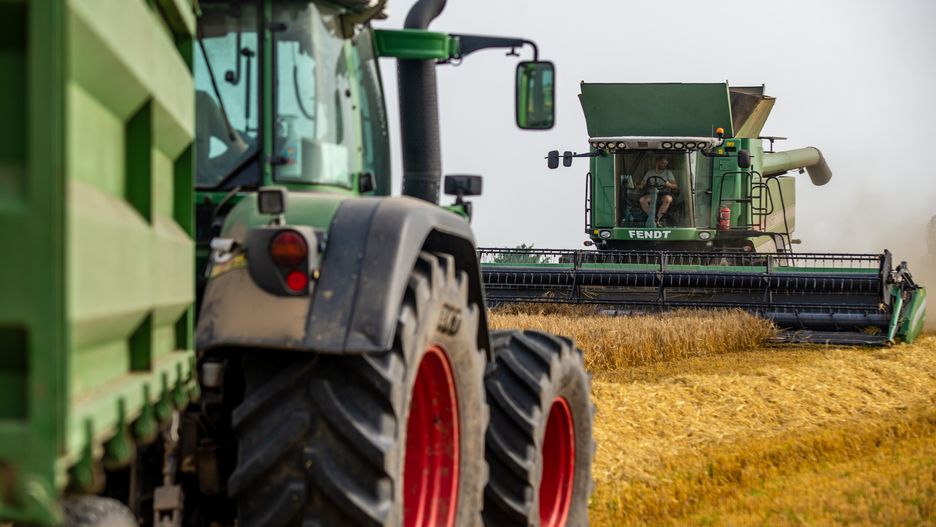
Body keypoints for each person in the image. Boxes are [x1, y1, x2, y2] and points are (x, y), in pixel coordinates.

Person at [638, 156, 678, 226]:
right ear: (657, 163)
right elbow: (643, 183)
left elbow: (675, 186)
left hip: (665, 193)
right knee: (642, 200)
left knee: (667, 199)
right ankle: (654, 218)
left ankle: (659, 219)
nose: (665, 165)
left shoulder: (668, 173)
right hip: (652, 193)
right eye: (663, 163)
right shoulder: (650, 172)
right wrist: (640, 185)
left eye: (666, 164)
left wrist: (668, 184)